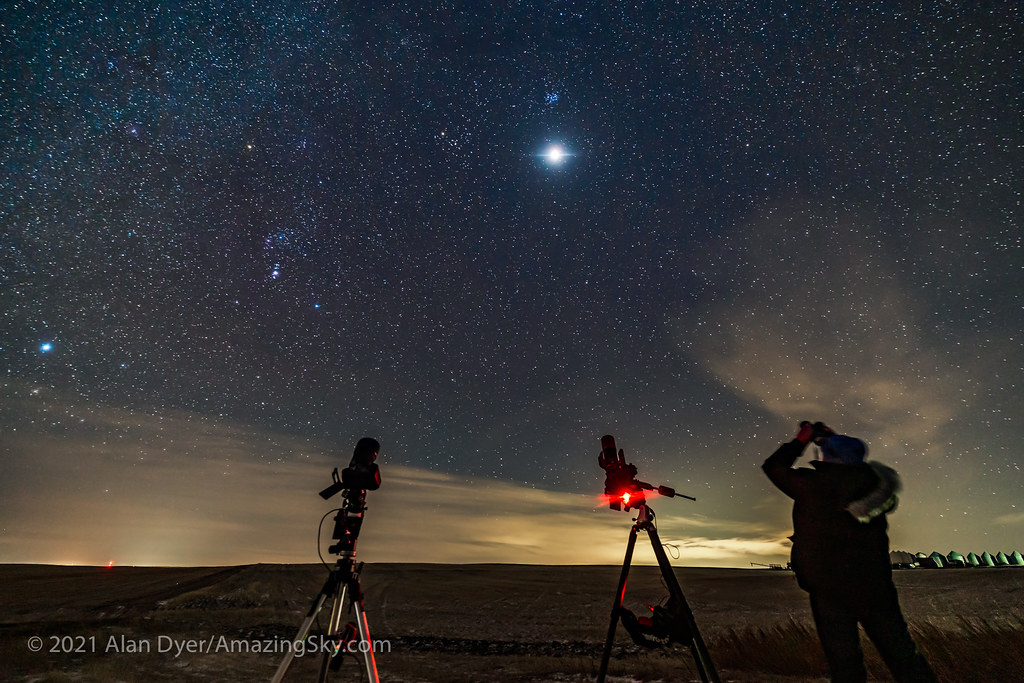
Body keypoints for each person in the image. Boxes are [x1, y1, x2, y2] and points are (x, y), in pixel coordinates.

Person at [762, 421, 938, 683]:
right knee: (904, 658)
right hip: (876, 587)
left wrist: (802, 440)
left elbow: (774, 467)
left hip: (830, 590)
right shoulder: (875, 486)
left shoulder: (816, 484)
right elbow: (858, 467)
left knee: (846, 667)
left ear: (830, 458)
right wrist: (836, 444)